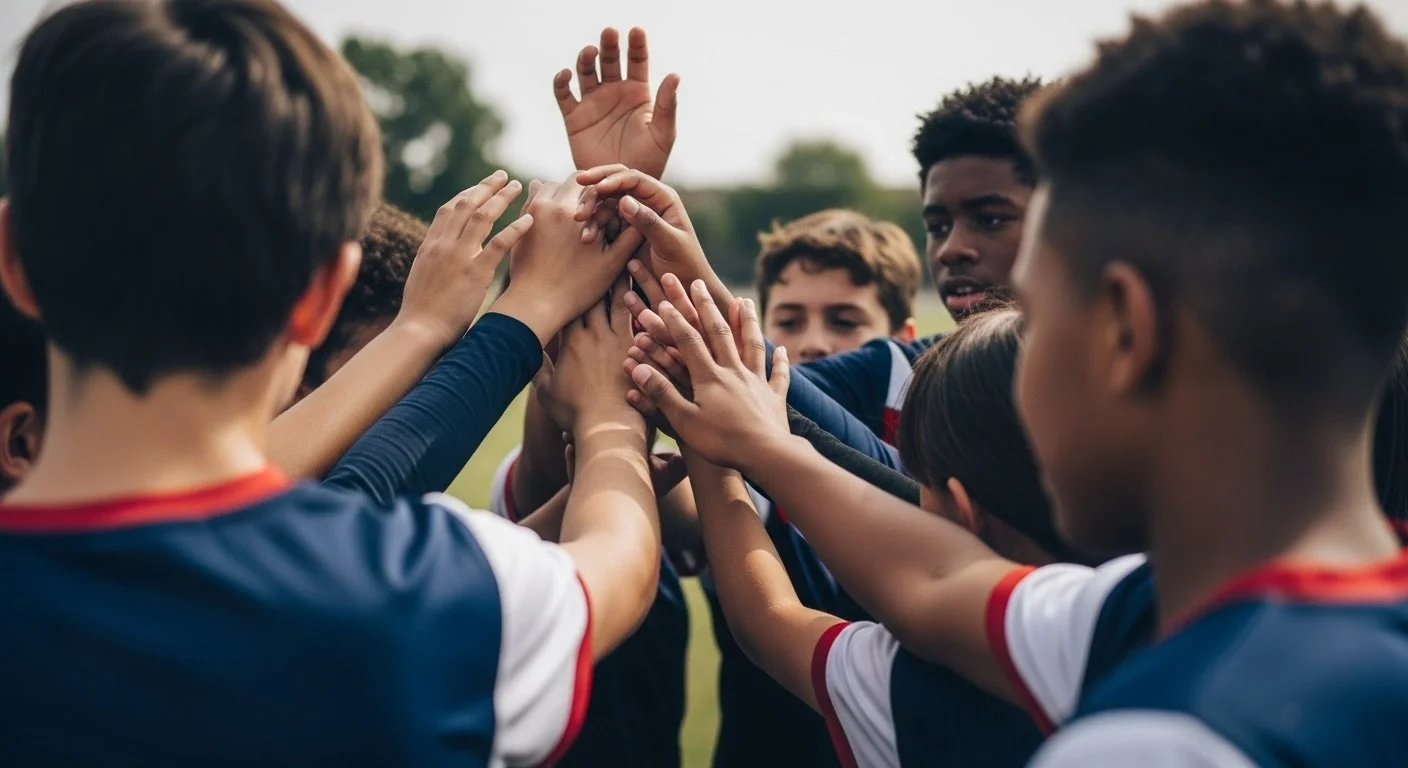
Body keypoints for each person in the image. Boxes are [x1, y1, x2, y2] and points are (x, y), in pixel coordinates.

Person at [621, 1, 1408, 764]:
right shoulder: (1139, 605)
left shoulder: (1162, 739)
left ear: (1126, 333)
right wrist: (758, 441)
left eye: (1028, 313)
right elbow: (935, 579)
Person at [0, 3, 656, 766]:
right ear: (320, 297)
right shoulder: (429, 589)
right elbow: (621, 566)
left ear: (13, 261)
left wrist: (468, 322)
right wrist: (608, 412)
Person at [689, 307, 1065, 768]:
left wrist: (706, 444)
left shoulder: (914, 688)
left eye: (915, 478)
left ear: (964, 510)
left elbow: (766, 620)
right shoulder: (1130, 606)